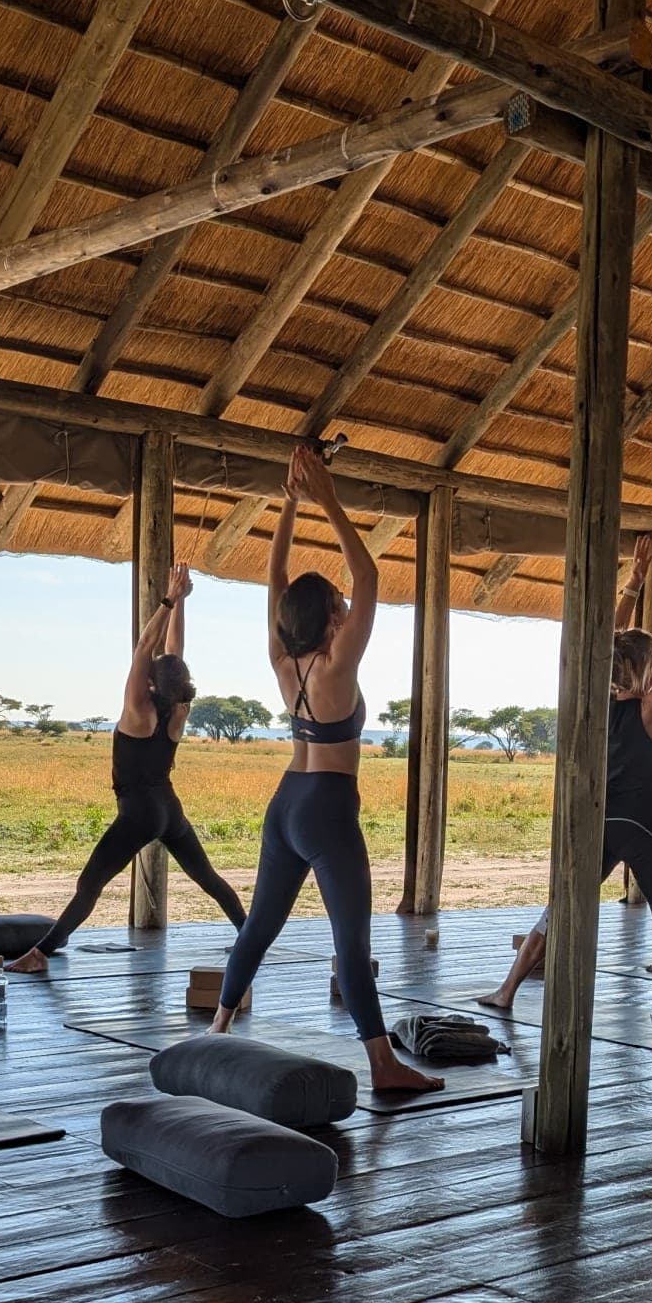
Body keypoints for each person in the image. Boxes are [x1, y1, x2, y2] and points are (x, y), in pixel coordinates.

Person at [209, 440, 439, 1095]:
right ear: (332, 616)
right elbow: (368, 579)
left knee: (260, 925)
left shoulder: (286, 667)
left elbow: (275, 582)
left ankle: (219, 1029)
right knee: (351, 941)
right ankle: (384, 1065)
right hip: (329, 810)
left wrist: (288, 505)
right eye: (339, 607)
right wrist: (327, 501)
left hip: (286, 803)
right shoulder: (337, 667)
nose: (347, 609)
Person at [479, 532, 652, 1047]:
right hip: (642, 828)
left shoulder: (598, 698)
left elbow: (608, 644)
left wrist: (633, 581)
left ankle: (506, 992)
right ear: (647, 670)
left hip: (600, 823)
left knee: (558, 907)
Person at [7, 563, 246, 973]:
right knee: (208, 878)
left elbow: (144, 648)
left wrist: (170, 599)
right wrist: (182, 604)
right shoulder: (177, 709)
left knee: (90, 885)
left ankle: (39, 955)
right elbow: (174, 655)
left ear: (150, 683)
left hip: (138, 813)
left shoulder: (139, 709)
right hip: (169, 810)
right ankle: (250, 936)